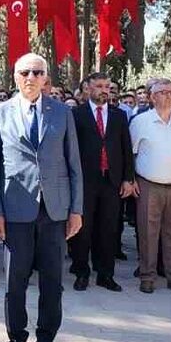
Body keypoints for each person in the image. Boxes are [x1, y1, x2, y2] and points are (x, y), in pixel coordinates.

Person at [0, 53, 83, 342]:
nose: (30, 77)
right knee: (15, 280)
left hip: (54, 209)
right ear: (15, 77)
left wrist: (76, 209)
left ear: (46, 78)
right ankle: (16, 341)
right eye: (24, 72)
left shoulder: (62, 113)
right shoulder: (0, 113)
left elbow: (74, 165)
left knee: (53, 281)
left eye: (37, 72)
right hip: (15, 209)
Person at [129, 79, 171, 294]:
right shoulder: (140, 121)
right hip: (149, 185)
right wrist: (131, 180)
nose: (168, 96)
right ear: (152, 97)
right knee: (148, 233)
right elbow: (130, 153)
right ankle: (147, 276)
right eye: (162, 92)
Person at [70, 72, 134, 292]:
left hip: (112, 180)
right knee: (83, 229)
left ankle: (105, 274)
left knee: (109, 229)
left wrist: (128, 179)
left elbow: (126, 149)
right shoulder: (76, 114)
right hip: (85, 180)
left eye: (107, 86)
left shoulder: (119, 116)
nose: (104, 90)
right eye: (99, 86)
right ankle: (81, 272)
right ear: (88, 88)